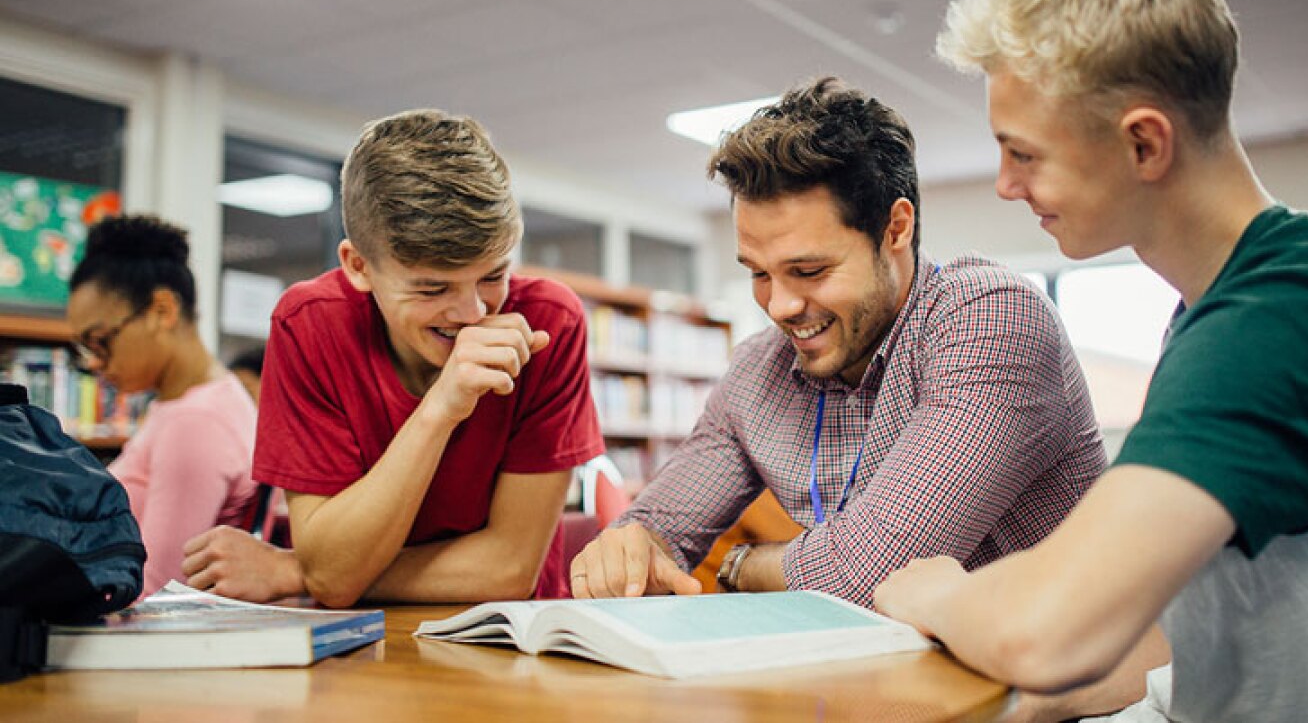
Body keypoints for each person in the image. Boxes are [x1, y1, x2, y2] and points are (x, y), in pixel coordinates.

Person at [874, 0, 1308, 723]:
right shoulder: (1228, 305)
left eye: (1024, 154)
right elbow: (1192, 631)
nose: (1005, 184)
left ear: (1144, 143)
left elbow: (1048, 632)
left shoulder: (1285, 314)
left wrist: (943, 593)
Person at [572, 77, 1108, 602]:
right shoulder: (759, 370)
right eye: (759, 273)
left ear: (894, 229)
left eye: (808, 270)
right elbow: (652, 529)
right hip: (881, 680)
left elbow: (871, 573)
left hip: (1054, 682)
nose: (779, 307)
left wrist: (741, 563)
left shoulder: (989, 317)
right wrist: (625, 549)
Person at [182, 109, 605, 607]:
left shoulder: (549, 322)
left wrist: (297, 571)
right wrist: (442, 406)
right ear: (358, 266)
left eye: (492, 276)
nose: (472, 312)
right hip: (354, 649)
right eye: (433, 287)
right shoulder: (308, 325)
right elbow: (333, 574)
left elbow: (508, 569)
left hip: (510, 643)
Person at [66, 214, 259, 598]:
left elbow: (157, 592)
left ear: (161, 311)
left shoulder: (196, 421)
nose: (93, 362)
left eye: (100, 341)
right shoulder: (186, 404)